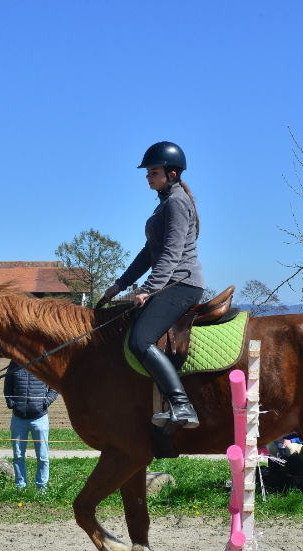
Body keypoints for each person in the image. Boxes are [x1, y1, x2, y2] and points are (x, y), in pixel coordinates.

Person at [99, 141, 206, 434]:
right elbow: (149, 252)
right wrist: (119, 285)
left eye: (153, 172)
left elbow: (171, 253)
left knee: (140, 341)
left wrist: (147, 288)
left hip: (182, 284)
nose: (148, 176)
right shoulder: (165, 203)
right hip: (169, 283)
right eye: (147, 172)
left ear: (172, 174)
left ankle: (181, 404)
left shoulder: (176, 202)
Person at [4, 361, 58, 493]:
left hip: (39, 418)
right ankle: (21, 488)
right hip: (18, 418)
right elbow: (8, 386)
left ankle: (41, 489)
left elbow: (54, 387)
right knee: (18, 456)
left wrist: (45, 402)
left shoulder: (44, 363)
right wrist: (11, 403)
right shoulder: (14, 363)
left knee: (42, 456)